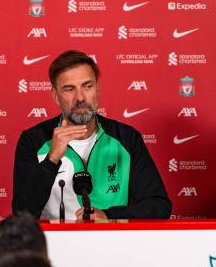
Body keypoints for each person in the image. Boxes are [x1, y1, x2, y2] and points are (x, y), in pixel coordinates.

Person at [12, 50, 171, 220]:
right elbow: (22, 215)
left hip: (113, 243)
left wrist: (108, 216)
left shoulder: (127, 138)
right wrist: (51, 160)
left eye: (87, 86)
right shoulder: (33, 140)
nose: (80, 97)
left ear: (97, 89)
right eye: (69, 89)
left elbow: (159, 206)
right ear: (56, 96)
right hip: (55, 244)